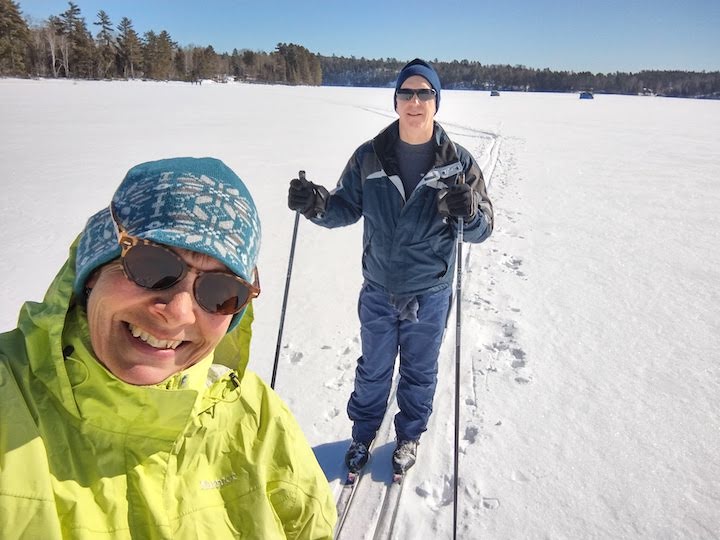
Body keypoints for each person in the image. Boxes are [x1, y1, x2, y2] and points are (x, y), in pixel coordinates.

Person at [0, 157, 336, 539]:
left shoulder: (258, 421)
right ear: (93, 271)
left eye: (220, 292)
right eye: (153, 266)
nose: (177, 313)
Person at [287, 59, 493, 476]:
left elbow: (482, 228)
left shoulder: (461, 164)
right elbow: (345, 206)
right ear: (396, 100)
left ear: (437, 101)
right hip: (379, 286)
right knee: (374, 368)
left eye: (424, 93)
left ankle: (409, 435)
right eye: (406, 93)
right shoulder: (370, 156)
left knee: (419, 370)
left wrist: (468, 213)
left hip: (430, 291)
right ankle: (363, 433)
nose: (415, 101)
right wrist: (316, 204)